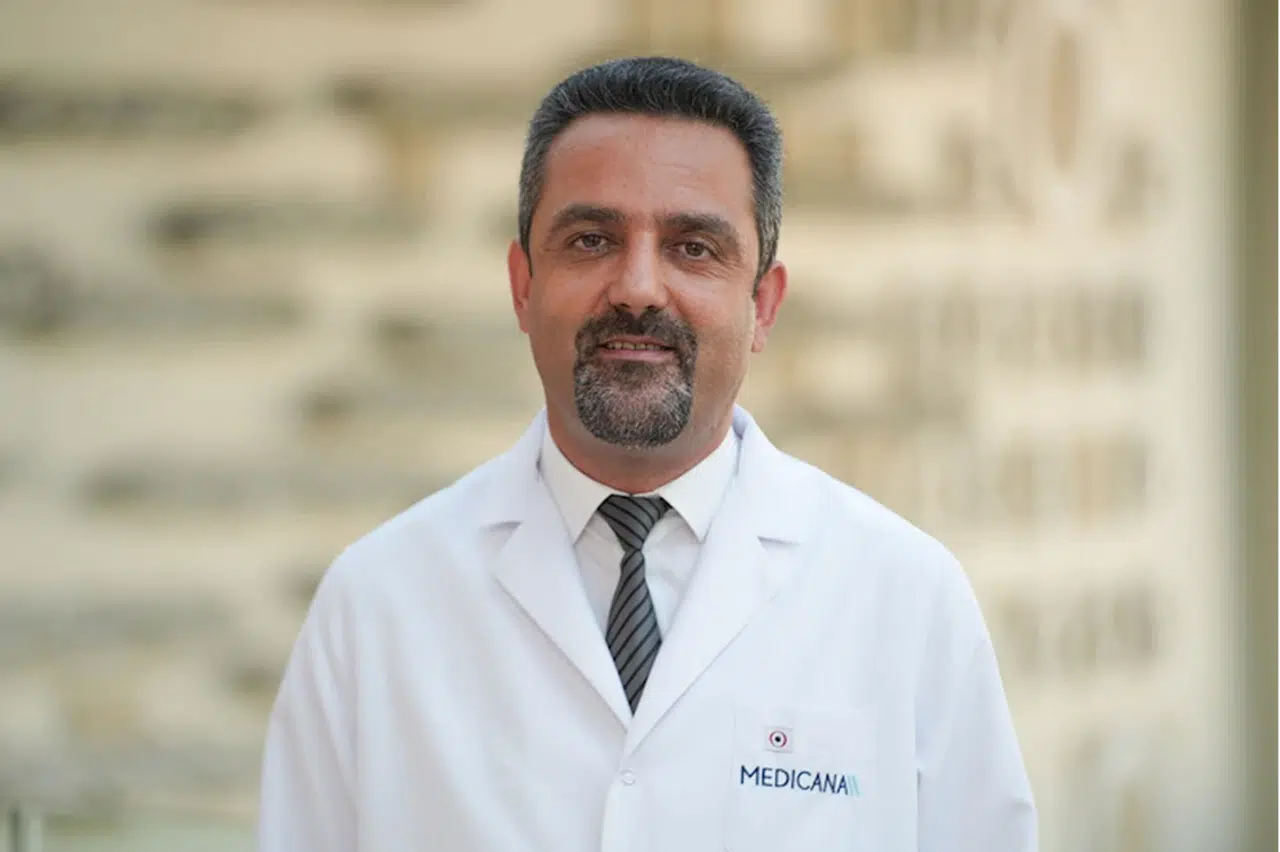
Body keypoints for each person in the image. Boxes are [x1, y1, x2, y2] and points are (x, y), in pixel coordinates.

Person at [257, 56, 1037, 851]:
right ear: (523, 286)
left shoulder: (906, 597)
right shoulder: (377, 602)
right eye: (591, 240)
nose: (637, 287)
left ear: (763, 305)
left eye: (693, 247)